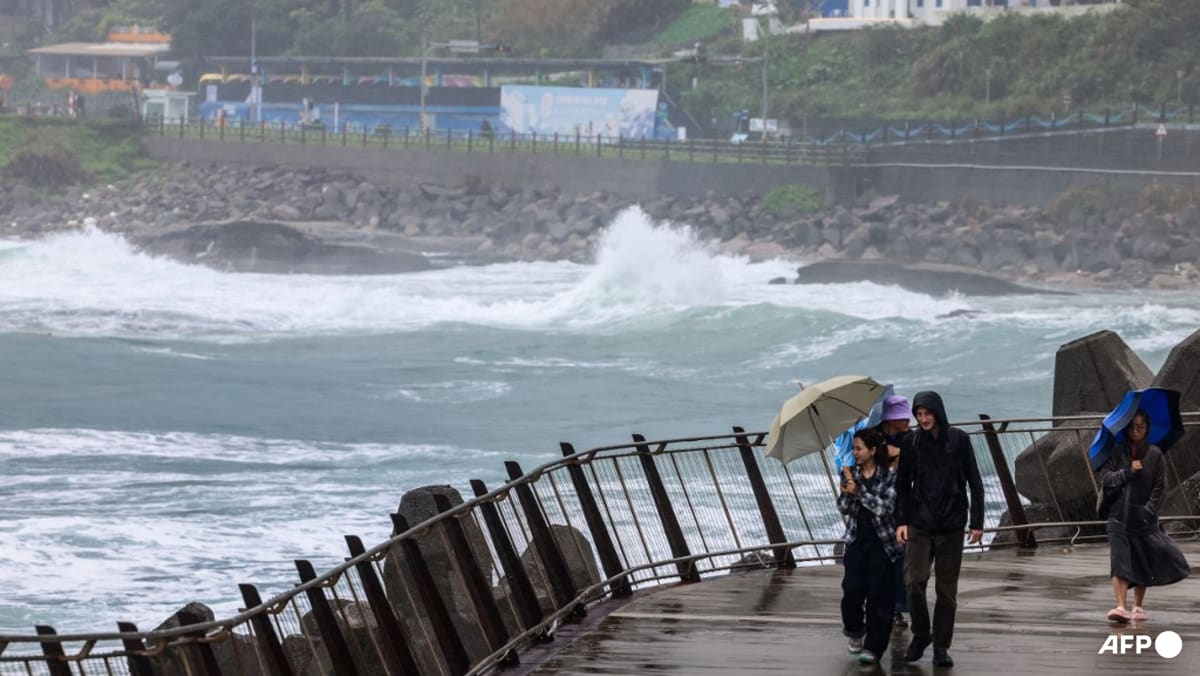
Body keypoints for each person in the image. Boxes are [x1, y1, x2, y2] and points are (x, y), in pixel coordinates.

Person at [895, 391, 984, 668]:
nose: (923, 419)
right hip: (920, 524)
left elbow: (974, 480)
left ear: (938, 412)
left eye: (927, 414)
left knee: (947, 592)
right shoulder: (911, 442)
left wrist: (977, 523)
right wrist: (901, 521)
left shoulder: (958, 439)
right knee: (913, 582)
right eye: (918, 415)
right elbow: (902, 486)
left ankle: (941, 647)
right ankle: (922, 635)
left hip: (952, 526)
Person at [1097, 410, 1190, 623]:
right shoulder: (1116, 452)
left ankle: (1137, 606)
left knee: (1142, 558)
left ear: (1147, 428)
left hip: (1143, 519)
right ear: (1125, 429)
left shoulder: (1155, 454)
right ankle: (1120, 606)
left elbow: (1160, 488)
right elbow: (1107, 479)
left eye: (1141, 426)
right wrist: (1128, 471)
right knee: (1119, 560)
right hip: (1118, 516)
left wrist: (1148, 512)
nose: (1136, 431)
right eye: (1132, 427)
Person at [837, 428, 901, 666]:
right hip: (856, 540)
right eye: (853, 449)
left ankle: (874, 647)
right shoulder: (849, 473)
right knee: (851, 590)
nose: (855, 453)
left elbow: (885, 508)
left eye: (859, 448)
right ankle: (854, 630)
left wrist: (860, 491)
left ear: (873, 450)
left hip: (882, 543)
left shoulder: (888, 475)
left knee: (880, 597)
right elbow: (843, 507)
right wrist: (847, 487)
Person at [876, 394, 912, 627]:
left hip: (903, 503)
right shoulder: (874, 439)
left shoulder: (909, 438)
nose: (909, 421)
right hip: (880, 504)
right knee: (885, 557)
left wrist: (899, 455)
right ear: (891, 419)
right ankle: (889, 606)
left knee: (903, 555)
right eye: (904, 417)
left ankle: (899, 605)